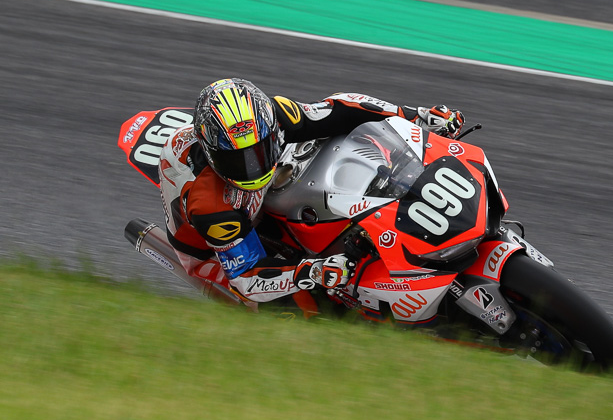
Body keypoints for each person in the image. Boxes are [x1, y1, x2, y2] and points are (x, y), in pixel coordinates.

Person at [158, 78, 464, 308]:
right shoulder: (210, 206)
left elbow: (340, 108)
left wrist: (412, 115)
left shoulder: (275, 115)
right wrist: (312, 272)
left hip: (263, 196)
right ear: (212, 154)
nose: (252, 167)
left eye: (260, 150)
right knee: (304, 310)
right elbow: (246, 278)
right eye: (238, 160)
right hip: (216, 249)